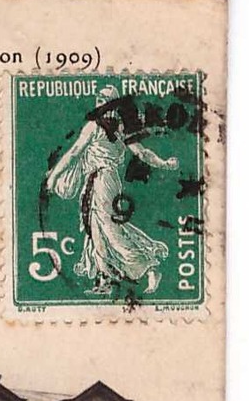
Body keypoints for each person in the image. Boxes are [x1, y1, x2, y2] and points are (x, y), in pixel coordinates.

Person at [45, 85, 181, 295]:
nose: (100, 102)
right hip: (104, 180)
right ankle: (104, 279)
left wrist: (54, 176)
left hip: (102, 181)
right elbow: (142, 153)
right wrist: (163, 163)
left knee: (110, 230)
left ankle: (148, 268)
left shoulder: (95, 126)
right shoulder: (121, 127)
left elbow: (74, 153)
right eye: (99, 98)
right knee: (97, 229)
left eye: (103, 99)